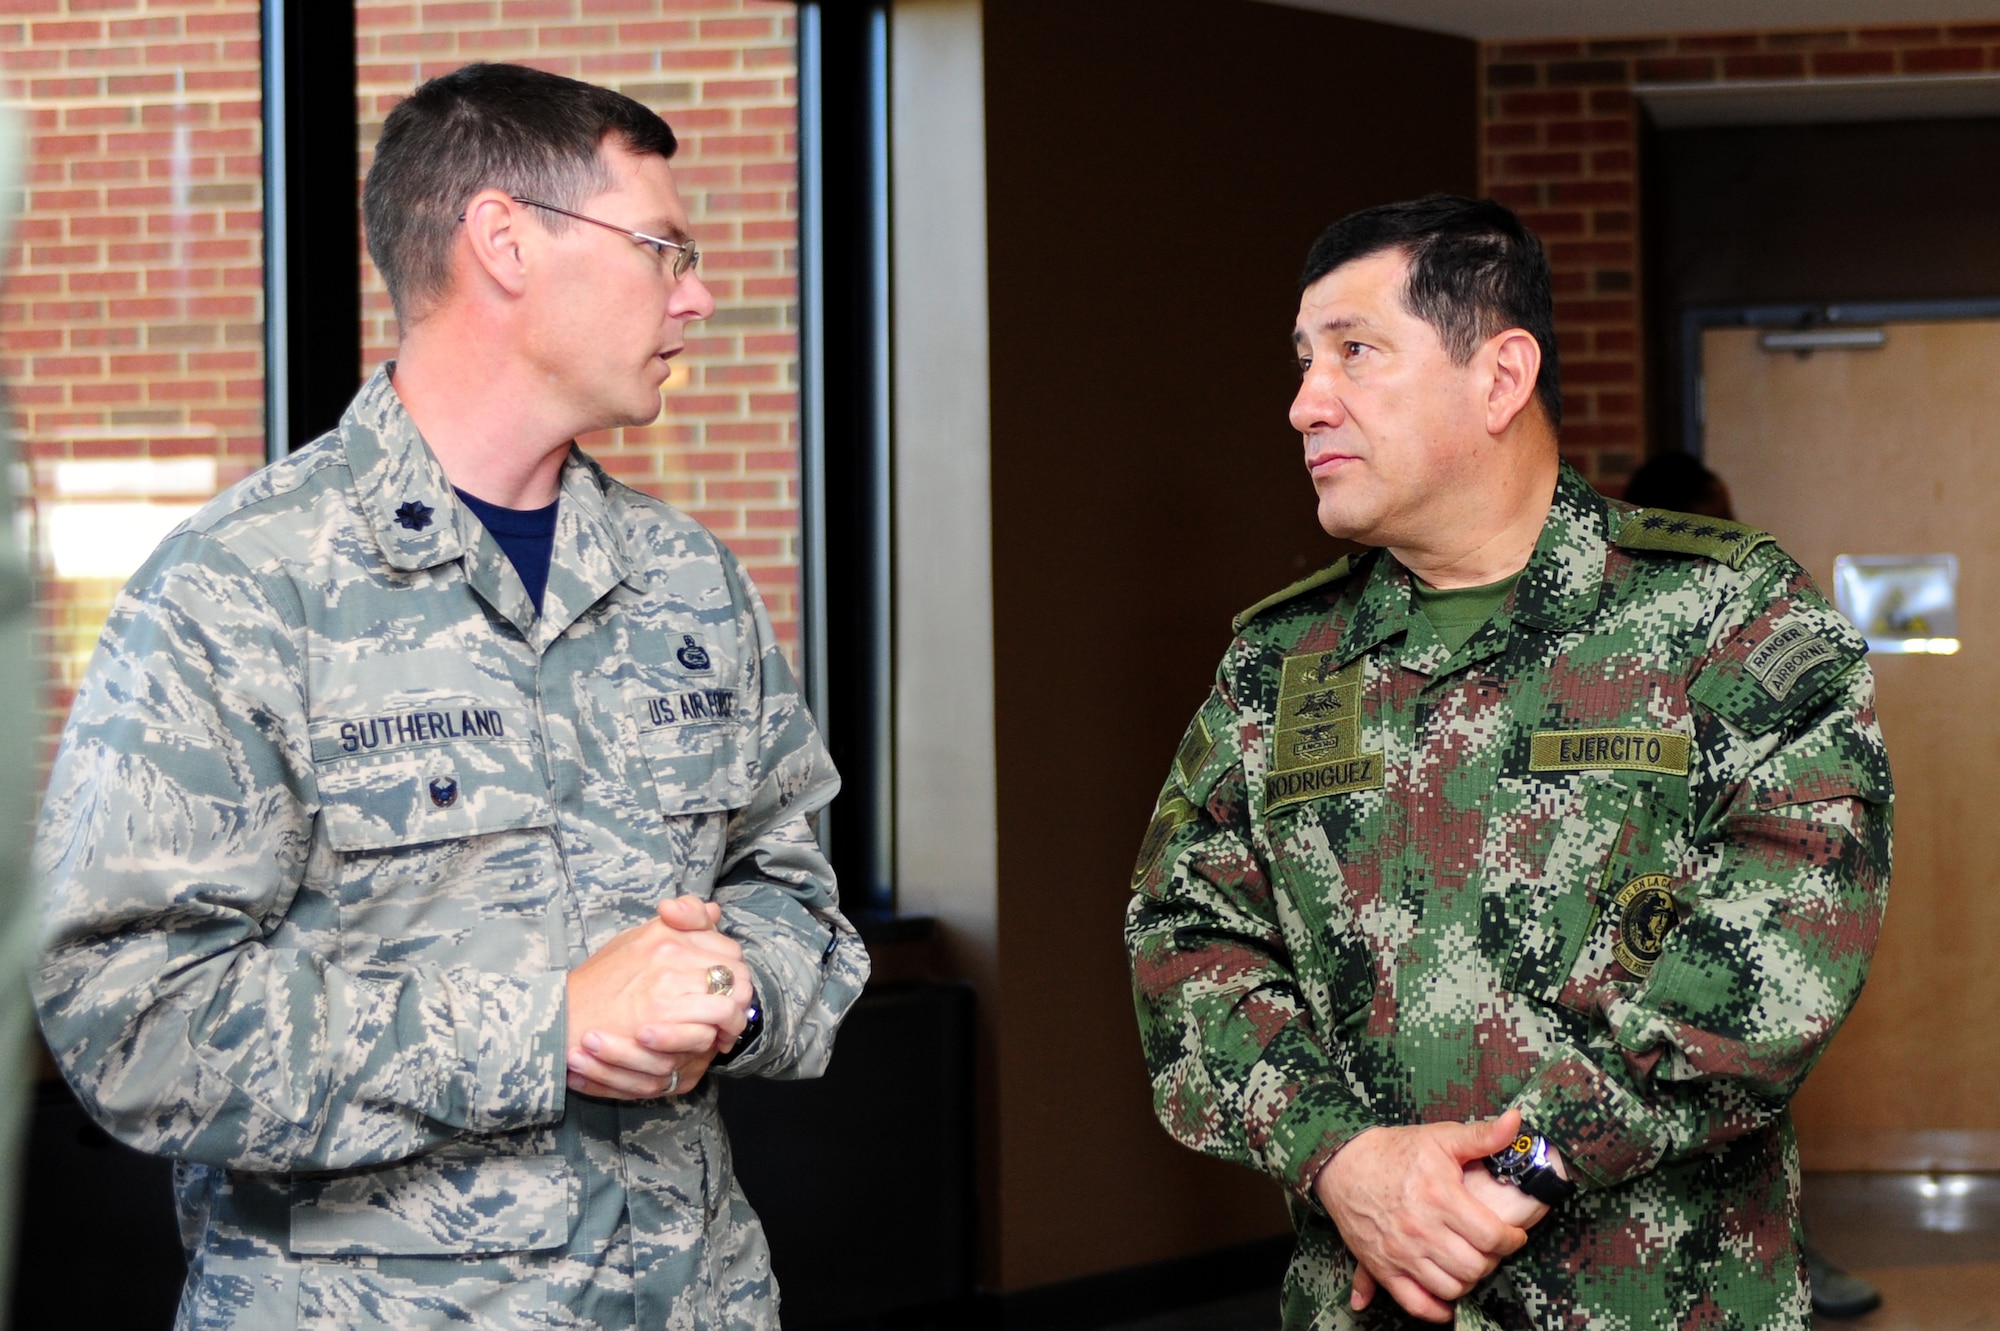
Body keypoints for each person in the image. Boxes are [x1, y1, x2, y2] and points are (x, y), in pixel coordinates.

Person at [32, 63, 868, 1330]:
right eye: (662, 247)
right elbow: (130, 1019)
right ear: (504, 241)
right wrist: (545, 1023)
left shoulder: (687, 581)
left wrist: (738, 992)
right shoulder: (240, 588)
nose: (696, 293)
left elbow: (791, 885)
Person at [1126, 195, 1892, 1328]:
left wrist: (1521, 1168)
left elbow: (1779, 949)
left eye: (1354, 352)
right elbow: (1183, 937)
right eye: (1300, 361)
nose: (1303, 404)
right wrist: (1342, 1159)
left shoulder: (1723, 616)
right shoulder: (1277, 661)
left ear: (1498, 376)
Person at [1622, 451, 1884, 1323]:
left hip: (1719, 982)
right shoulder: (1616, 649)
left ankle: (1790, 1251)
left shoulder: (1755, 622)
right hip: (1610, 1023)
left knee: (1739, 1092)